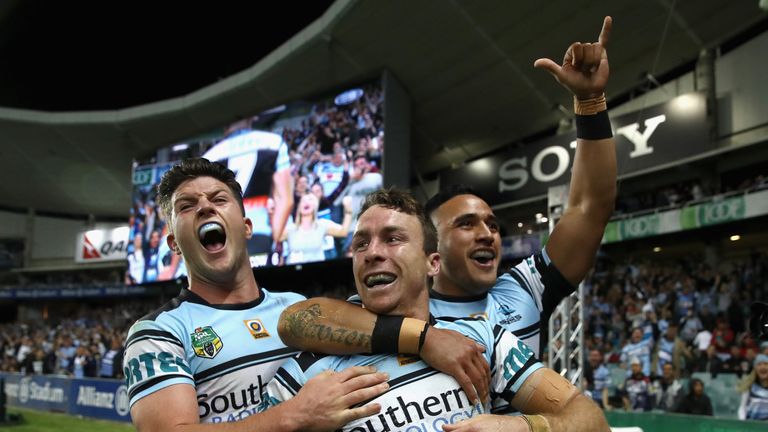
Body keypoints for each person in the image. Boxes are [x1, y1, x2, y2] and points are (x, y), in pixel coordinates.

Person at [278, 15, 617, 410]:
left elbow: (589, 209)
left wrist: (590, 104)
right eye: (466, 224)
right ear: (431, 252)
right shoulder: (400, 302)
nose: (487, 234)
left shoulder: (523, 290)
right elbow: (299, 320)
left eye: (492, 225)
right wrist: (424, 338)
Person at [266, 189, 610, 432]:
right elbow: (295, 320)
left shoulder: (481, 339)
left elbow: (591, 421)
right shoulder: (309, 371)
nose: (372, 253)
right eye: (361, 244)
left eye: (393, 239)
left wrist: (524, 426)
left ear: (432, 263)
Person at [123, 158, 390, 430]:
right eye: (187, 206)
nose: (204, 207)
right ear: (174, 244)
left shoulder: (297, 308)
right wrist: (293, 415)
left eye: (219, 199)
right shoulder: (158, 333)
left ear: (247, 226)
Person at [281, 194, 353, 264]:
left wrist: (348, 210)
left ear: (315, 206)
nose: (306, 202)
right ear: (299, 207)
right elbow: (277, 237)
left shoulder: (322, 225)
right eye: (303, 201)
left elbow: (343, 232)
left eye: (310, 200)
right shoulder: (291, 229)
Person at [737, 353, 768, 420]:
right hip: (752, 423)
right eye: (759, 364)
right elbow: (742, 407)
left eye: (765, 364)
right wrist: (743, 422)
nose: (762, 367)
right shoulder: (749, 386)